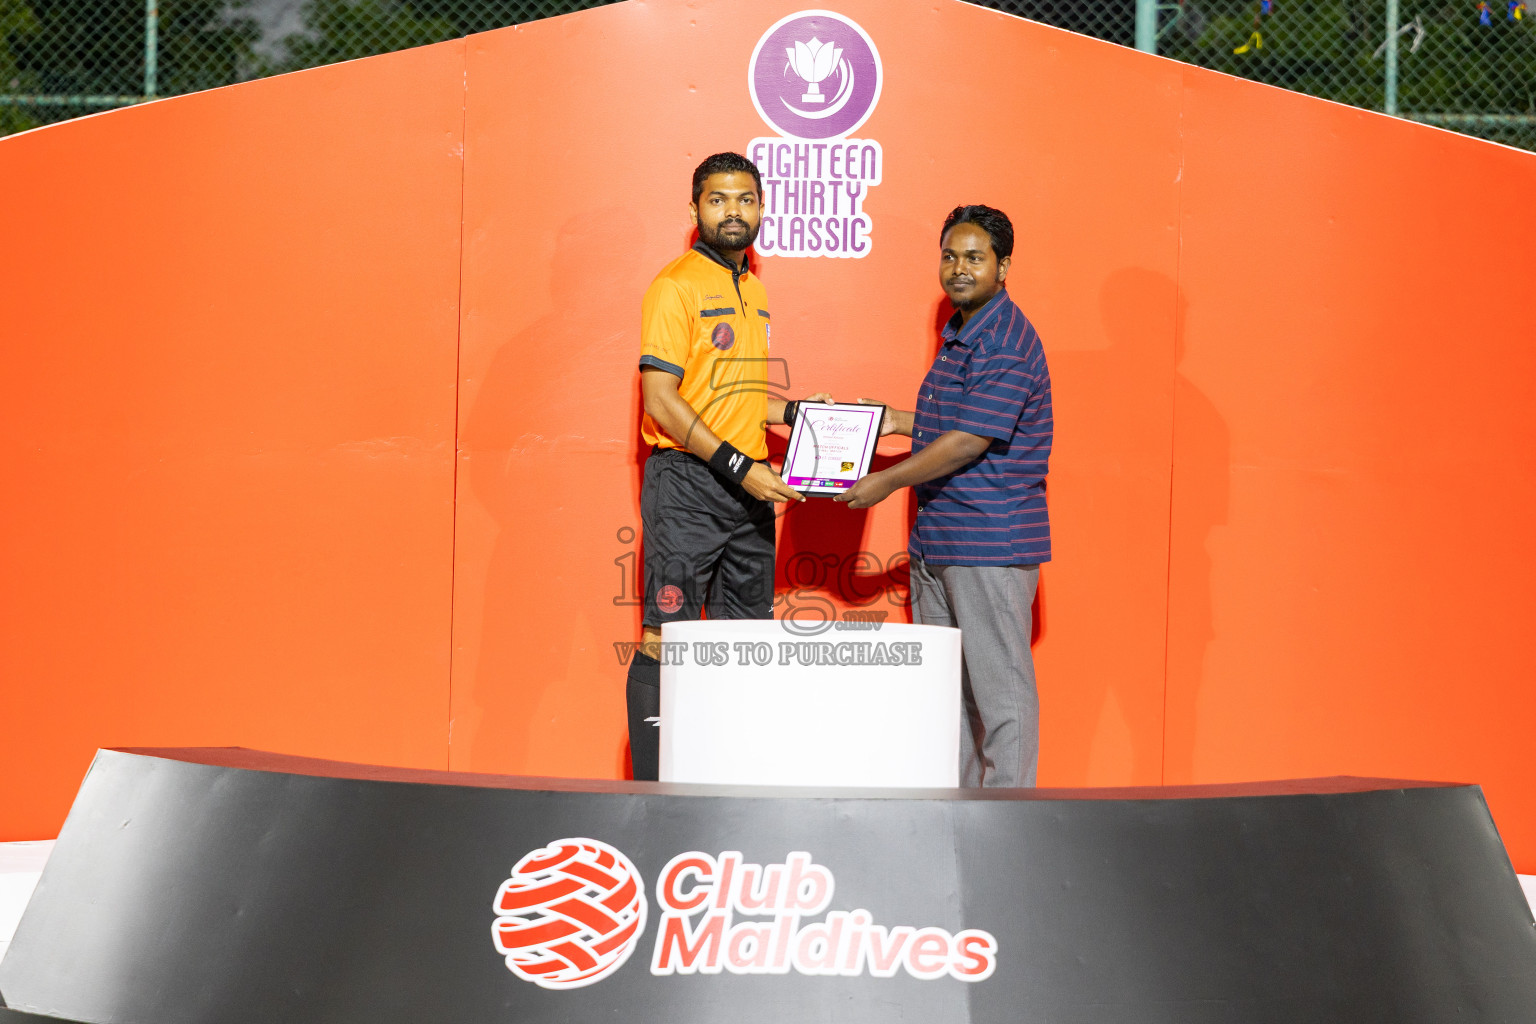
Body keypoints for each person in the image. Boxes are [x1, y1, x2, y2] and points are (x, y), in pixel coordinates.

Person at [626, 152, 830, 781]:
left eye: (744, 199)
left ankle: (731, 784)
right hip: (687, 486)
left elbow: (732, 396)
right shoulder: (674, 285)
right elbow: (662, 399)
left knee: (746, 642)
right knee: (666, 636)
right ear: (695, 209)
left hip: (747, 495)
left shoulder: (754, 290)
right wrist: (740, 466)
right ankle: (653, 796)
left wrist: (796, 414)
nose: (732, 211)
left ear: (762, 207)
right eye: (717, 200)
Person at [837, 205, 1052, 787]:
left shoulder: (1004, 340)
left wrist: (885, 480)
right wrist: (893, 420)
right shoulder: (962, 334)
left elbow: (969, 440)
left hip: (989, 542)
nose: (959, 268)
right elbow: (960, 421)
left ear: (1003, 267)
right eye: (950, 256)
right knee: (947, 695)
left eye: (975, 258)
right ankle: (956, 817)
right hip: (941, 540)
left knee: (1001, 695)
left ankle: (1008, 821)